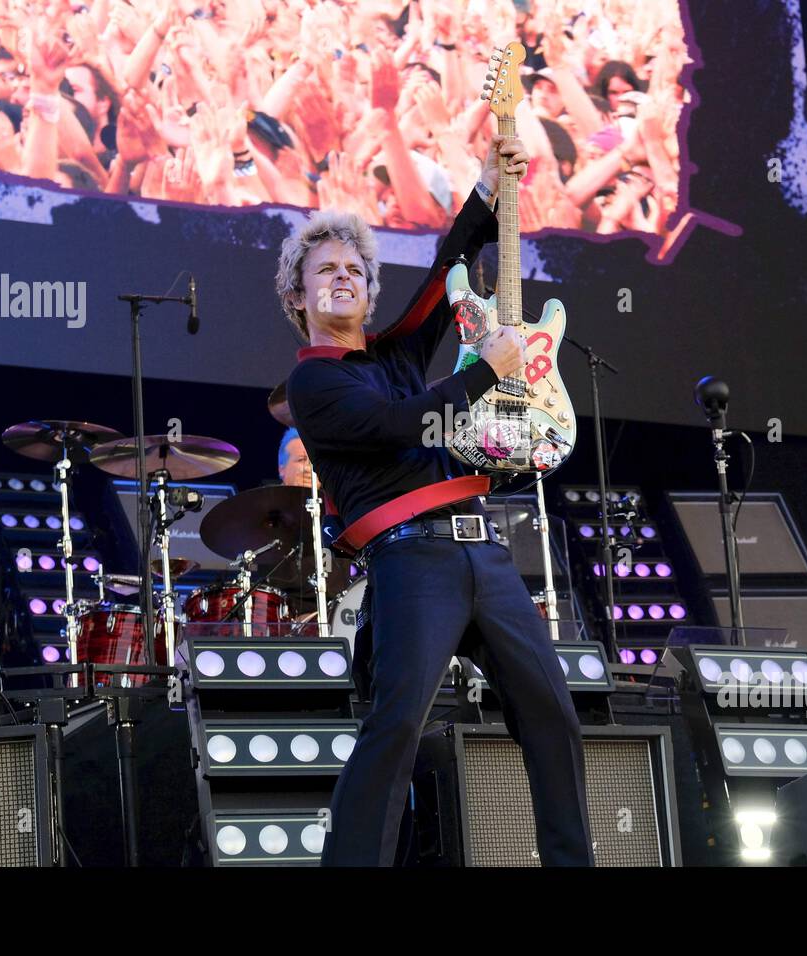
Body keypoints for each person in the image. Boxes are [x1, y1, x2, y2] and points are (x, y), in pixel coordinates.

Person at [279, 131, 594, 867]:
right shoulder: (313, 383)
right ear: (299, 297)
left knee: (553, 717)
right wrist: (485, 371)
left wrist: (487, 191)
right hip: (410, 562)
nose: (346, 276)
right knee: (396, 728)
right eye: (327, 270)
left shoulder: (390, 354)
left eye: (355, 267)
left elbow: (440, 277)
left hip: (482, 550)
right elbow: (400, 425)